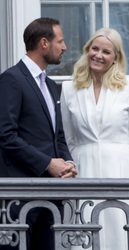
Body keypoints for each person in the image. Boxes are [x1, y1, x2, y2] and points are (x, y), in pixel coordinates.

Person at [60, 28, 129, 250]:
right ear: (87, 50)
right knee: (85, 234)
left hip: (121, 169)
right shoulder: (69, 88)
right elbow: (68, 137)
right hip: (83, 168)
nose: (98, 55)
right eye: (94, 48)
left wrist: (120, 160)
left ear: (116, 57)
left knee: (122, 232)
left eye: (106, 51)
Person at [0, 17, 77, 250]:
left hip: (51, 196)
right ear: (44, 43)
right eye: (60, 41)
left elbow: (58, 136)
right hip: (20, 197)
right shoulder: (11, 80)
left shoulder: (52, 85)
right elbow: (5, 135)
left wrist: (67, 162)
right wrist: (47, 163)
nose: (64, 48)